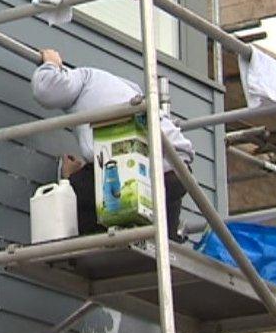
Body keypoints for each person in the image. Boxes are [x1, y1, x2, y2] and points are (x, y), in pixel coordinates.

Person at [32, 48, 195, 241]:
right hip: (177, 168)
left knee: (75, 193)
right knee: (162, 243)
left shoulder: (82, 79)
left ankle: (92, 247)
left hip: (147, 166)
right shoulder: (120, 90)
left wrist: (51, 63)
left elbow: (47, 90)